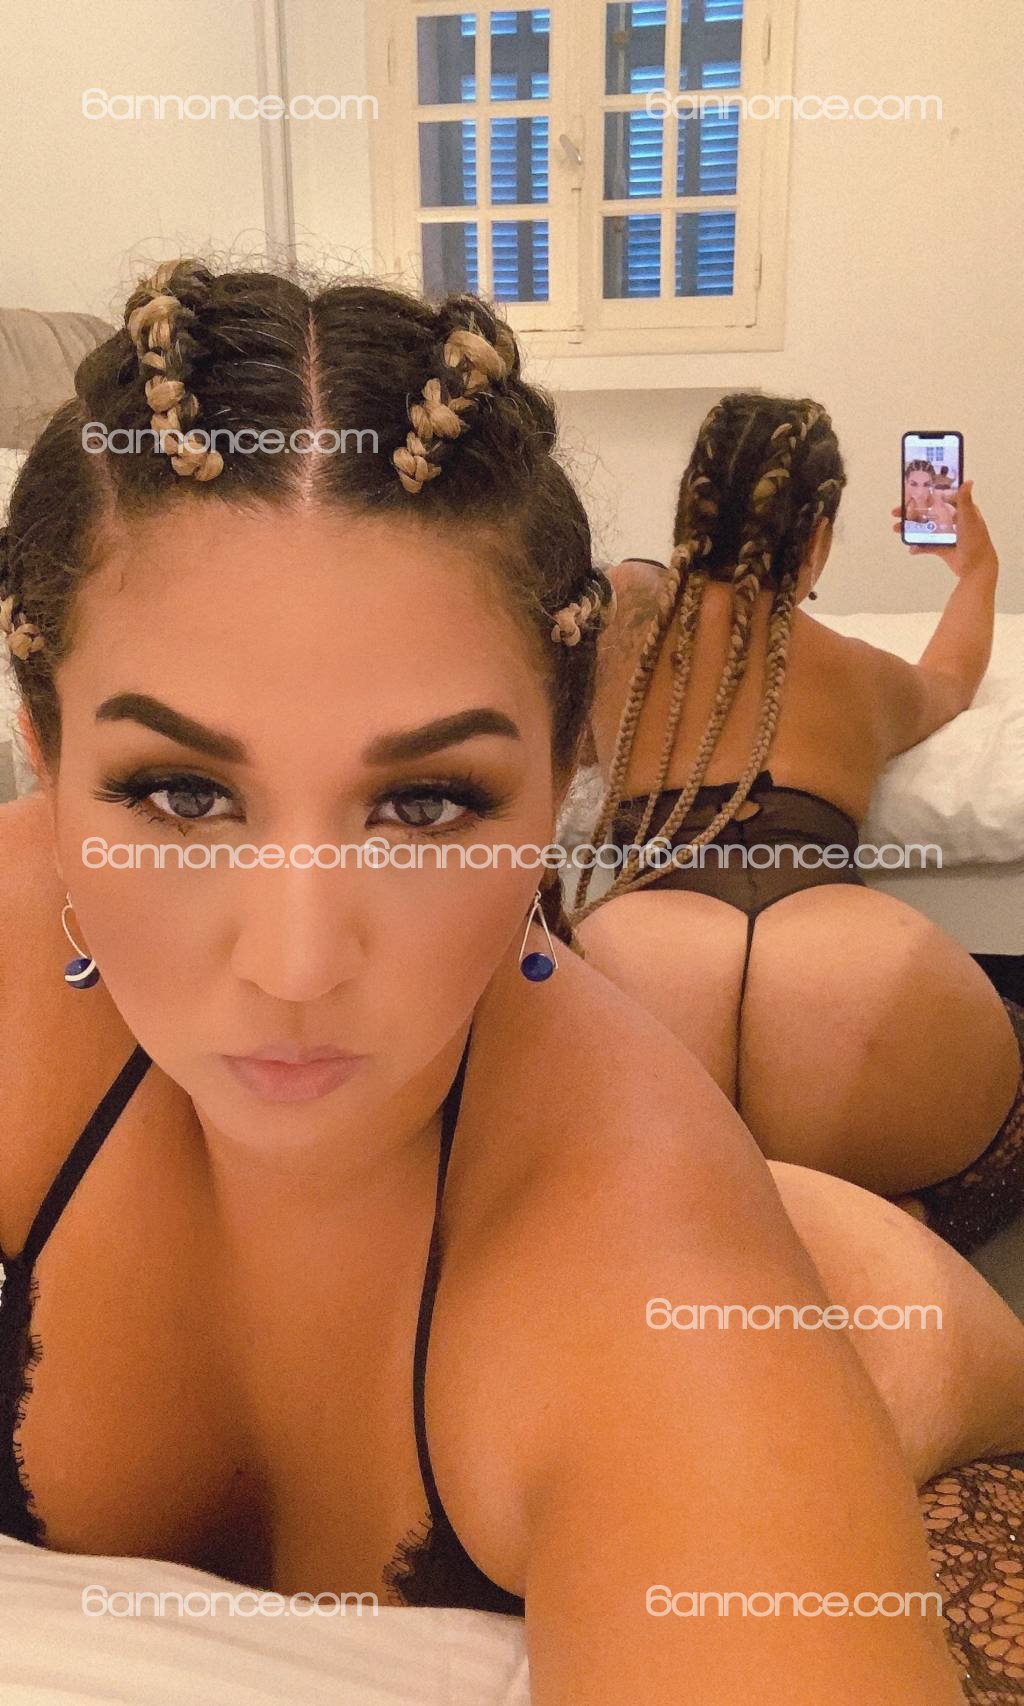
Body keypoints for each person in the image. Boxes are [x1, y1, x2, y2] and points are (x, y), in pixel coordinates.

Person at [0, 260, 1004, 1703]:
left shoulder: (655, 1286)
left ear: (561, 774)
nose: (295, 963)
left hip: (895, 1327)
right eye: (180, 792)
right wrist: (971, 575)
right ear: (43, 752)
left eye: (425, 803)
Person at [571, 394, 1022, 1249]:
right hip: (847, 975)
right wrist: (977, 571)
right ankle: (875, 1232)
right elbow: (953, 678)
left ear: (691, 508)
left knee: (543, 1170)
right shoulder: (859, 672)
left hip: (647, 973)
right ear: (816, 540)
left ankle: (677, 1238)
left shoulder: (622, 619)